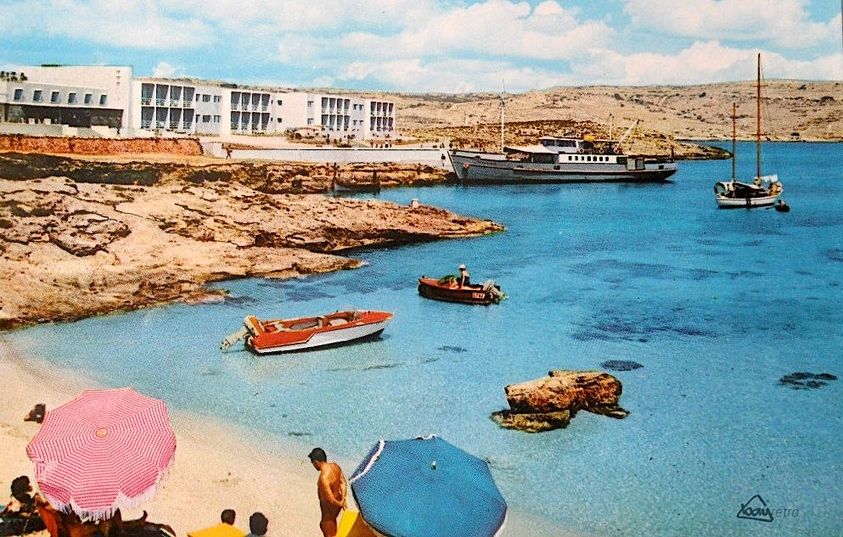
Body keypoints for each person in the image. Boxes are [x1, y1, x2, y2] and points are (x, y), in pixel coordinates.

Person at [308, 448, 347, 537]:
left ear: (316, 462)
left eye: (313, 463)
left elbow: (330, 499)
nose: (313, 465)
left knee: (326, 527)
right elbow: (343, 482)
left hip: (329, 511)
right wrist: (343, 499)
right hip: (336, 504)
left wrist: (340, 504)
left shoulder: (323, 478)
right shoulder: (335, 466)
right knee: (331, 525)